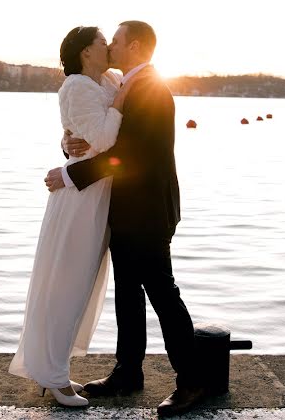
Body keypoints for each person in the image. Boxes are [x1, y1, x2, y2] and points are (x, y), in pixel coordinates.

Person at [45, 21, 208, 417]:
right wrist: (69, 143)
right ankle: (127, 372)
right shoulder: (122, 83)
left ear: (134, 45)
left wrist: (71, 175)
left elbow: (132, 155)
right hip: (126, 207)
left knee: (162, 294)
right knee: (129, 294)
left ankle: (192, 381)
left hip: (149, 209)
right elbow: (91, 124)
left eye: (116, 41)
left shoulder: (150, 89)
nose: (111, 46)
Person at [9, 26, 138, 407]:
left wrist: (68, 139)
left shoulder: (111, 78)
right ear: (85, 52)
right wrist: (118, 105)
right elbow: (101, 139)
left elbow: (87, 134)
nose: (109, 46)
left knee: (83, 284)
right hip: (80, 198)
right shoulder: (76, 85)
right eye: (103, 42)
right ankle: (53, 376)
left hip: (100, 194)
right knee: (65, 283)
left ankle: (56, 367)